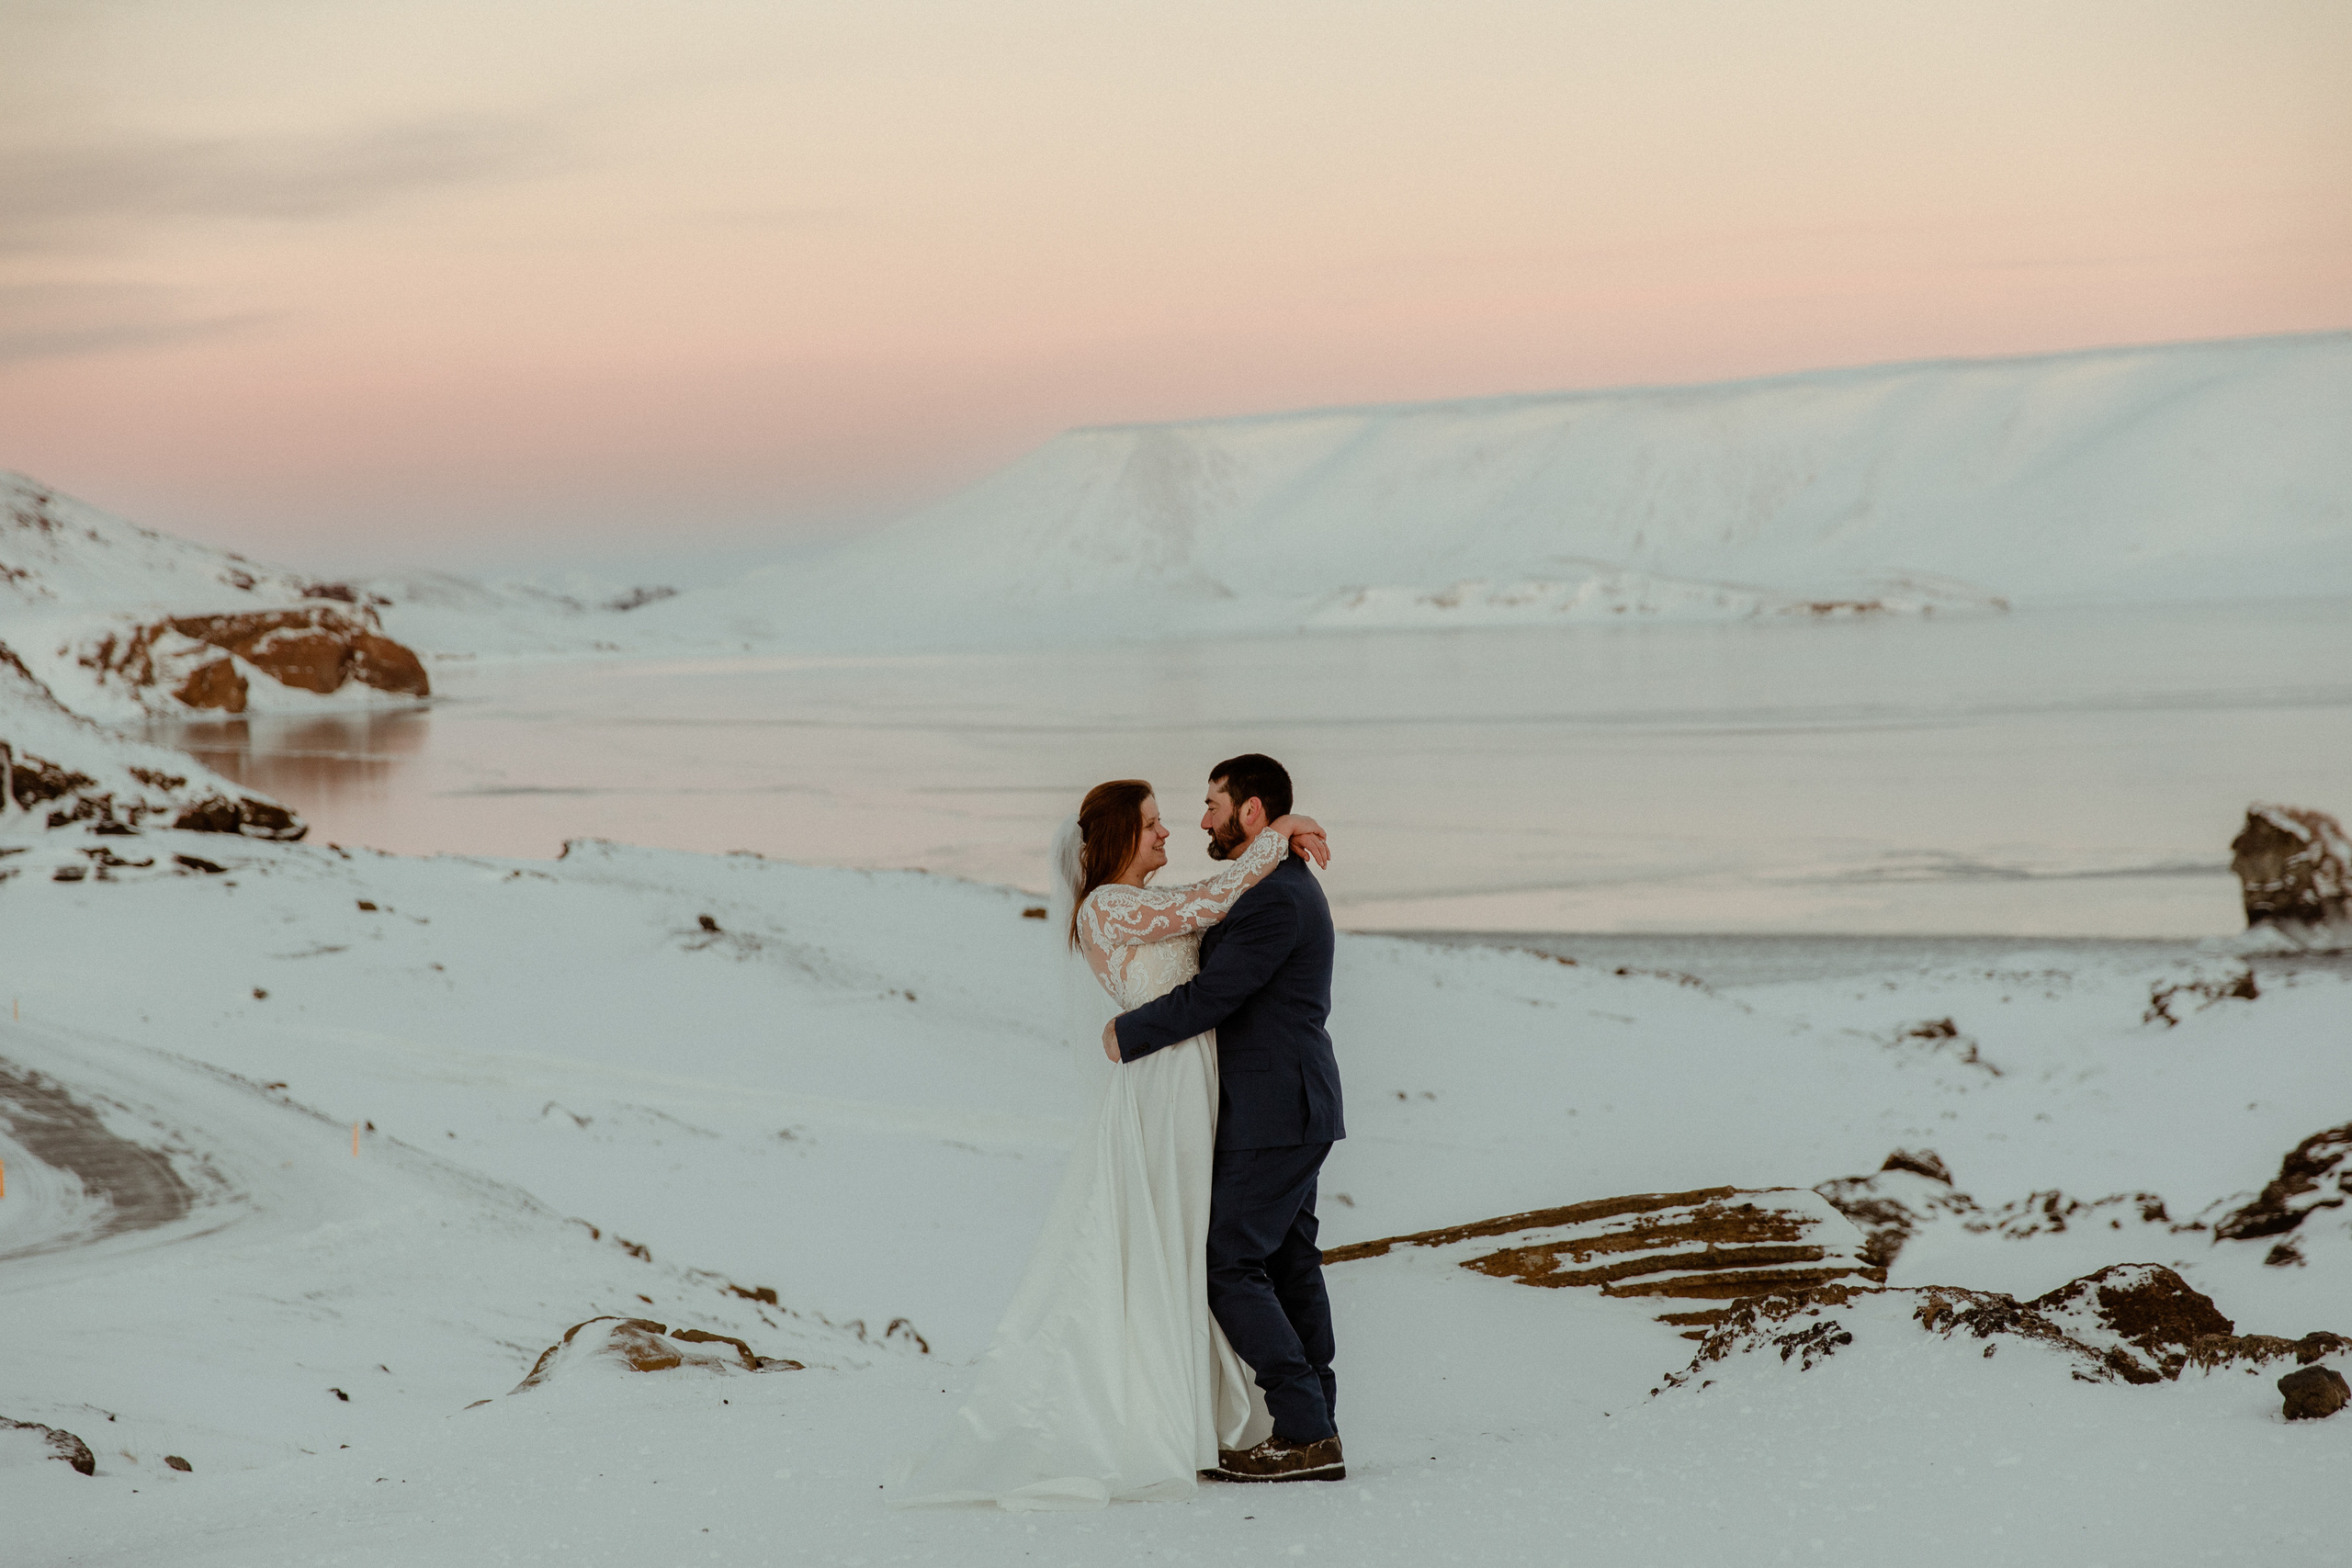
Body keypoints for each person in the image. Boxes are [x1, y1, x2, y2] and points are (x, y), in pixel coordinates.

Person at [888, 771, 1329, 1509]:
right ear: (1121, 834)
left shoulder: (1149, 901)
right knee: (1189, 1248)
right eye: (1153, 822)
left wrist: (1274, 836)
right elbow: (1214, 899)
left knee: (1197, 1248)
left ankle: (1248, 1416)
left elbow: (1210, 907)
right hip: (1165, 1088)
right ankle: (1191, 1416)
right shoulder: (1106, 906)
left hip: (1195, 1082)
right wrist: (1281, 831)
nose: (1169, 830)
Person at [1105, 753, 1346, 1484]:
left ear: (1250, 811)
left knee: (1227, 1261)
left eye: (1212, 804)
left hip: (1275, 1108)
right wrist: (1286, 829)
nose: (1201, 819)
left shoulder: (1275, 898)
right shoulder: (1272, 882)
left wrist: (1128, 1034)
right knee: (1289, 1262)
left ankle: (1303, 1426)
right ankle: (1317, 1424)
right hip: (1290, 1105)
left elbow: (1217, 994)